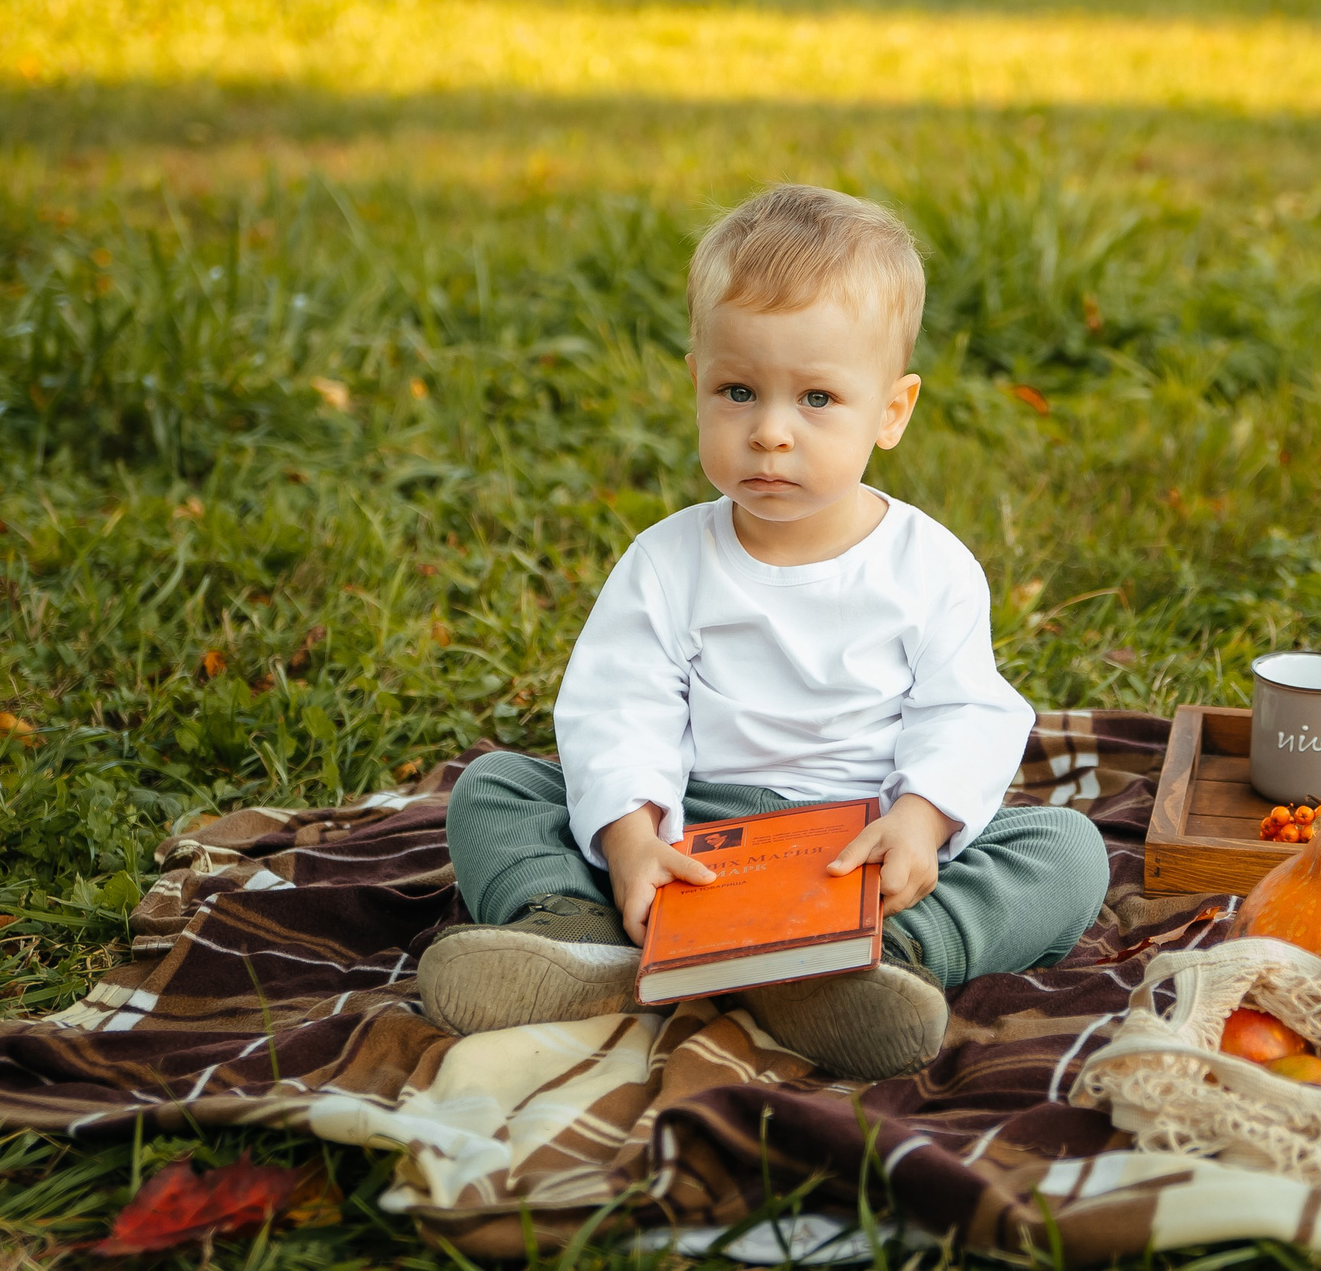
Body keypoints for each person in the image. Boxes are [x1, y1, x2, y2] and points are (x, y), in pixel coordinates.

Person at [419, 184, 1109, 1078]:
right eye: (738, 390)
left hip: (854, 852)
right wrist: (632, 839)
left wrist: (921, 819)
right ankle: (579, 937)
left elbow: (966, 712)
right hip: (694, 838)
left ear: (892, 412)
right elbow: (618, 708)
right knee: (497, 787)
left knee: (1065, 849)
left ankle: (882, 964)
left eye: (817, 398)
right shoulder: (670, 560)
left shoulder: (928, 566)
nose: (771, 433)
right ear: (697, 383)